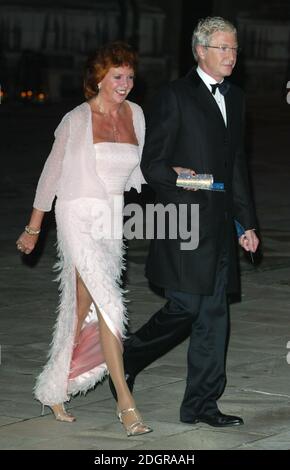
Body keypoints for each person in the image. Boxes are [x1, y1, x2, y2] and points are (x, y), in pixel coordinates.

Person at [109, 17, 259, 427]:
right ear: (200, 50)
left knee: (214, 317)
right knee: (185, 306)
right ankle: (126, 356)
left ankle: (202, 405)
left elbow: (237, 165)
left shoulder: (237, 97)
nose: (231, 56)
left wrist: (246, 222)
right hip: (184, 222)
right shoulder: (175, 96)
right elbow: (152, 165)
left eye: (234, 49)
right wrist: (189, 179)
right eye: (223, 48)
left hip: (221, 227)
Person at [16, 41, 152, 437]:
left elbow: (143, 167)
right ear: (98, 78)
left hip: (111, 216)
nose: (125, 83)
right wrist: (34, 227)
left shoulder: (136, 115)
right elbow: (51, 174)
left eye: (129, 76)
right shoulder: (76, 119)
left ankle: (54, 387)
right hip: (76, 212)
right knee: (111, 305)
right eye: (117, 76)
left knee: (81, 307)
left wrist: (181, 175)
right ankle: (126, 403)